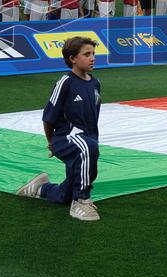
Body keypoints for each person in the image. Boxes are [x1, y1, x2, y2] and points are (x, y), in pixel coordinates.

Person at [15, 36, 103, 222]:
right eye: (87, 54)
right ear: (72, 58)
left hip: (87, 140)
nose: (92, 58)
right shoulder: (65, 82)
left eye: (93, 54)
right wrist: (51, 143)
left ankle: (41, 188)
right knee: (88, 149)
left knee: (64, 195)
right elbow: (49, 118)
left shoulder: (95, 84)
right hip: (65, 138)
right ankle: (81, 200)